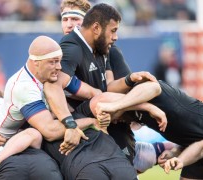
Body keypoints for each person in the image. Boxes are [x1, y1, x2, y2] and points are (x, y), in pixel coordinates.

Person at [0, 35, 94, 180]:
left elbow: (92, 93)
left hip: (26, 145)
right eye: (53, 62)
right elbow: (50, 131)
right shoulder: (20, 89)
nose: (59, 67)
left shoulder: (51, 77)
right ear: (35, 62)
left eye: (59, 61)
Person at [45, 2, 161, 165]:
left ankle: (160, 150)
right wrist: (70, 121)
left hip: (110, 120)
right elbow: (53, 86)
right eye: (65, 19)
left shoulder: (107, 49)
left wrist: (129, 83)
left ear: (92, 24)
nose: (69, 24)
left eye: (75, 19)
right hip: (87, 122)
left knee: (126, 163)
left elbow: (115, 89)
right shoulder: (64, 51)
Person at [95, 79, 203, 179]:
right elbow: (198, 140)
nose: (114, 121)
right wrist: (175, 152)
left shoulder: (138, 94)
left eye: (111, 116)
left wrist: (114, 106)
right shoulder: (136, 109)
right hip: (197, 146)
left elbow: (154, 86)